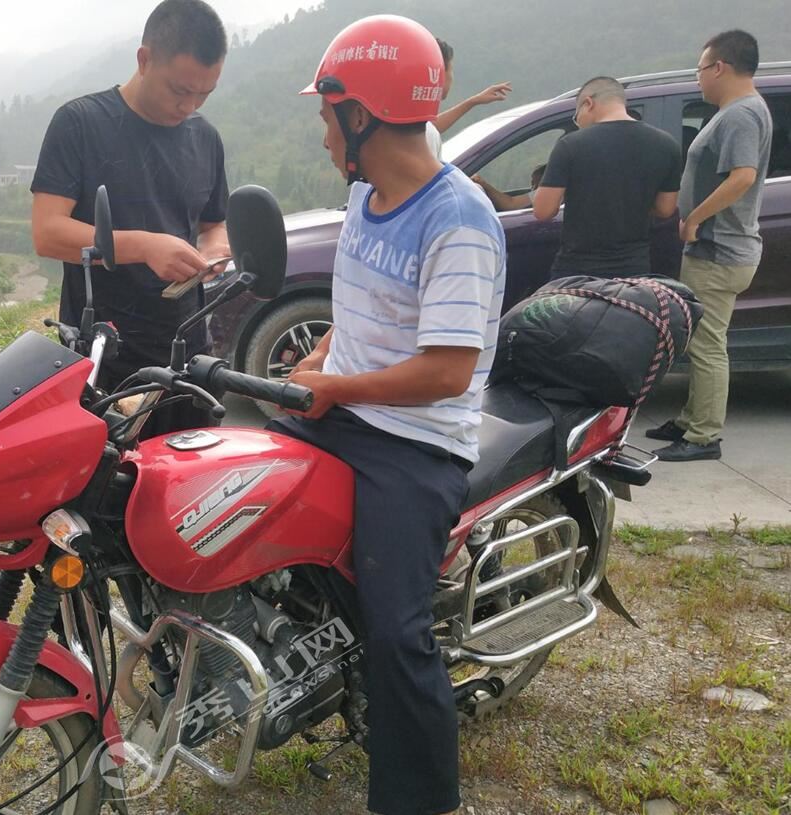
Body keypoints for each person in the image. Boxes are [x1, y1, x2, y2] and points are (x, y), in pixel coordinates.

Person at [285, 16, 506, 815]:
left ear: (360, 115)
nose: (322, 135)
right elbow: (357, 307)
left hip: (416, 441)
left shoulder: (458, 220)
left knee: (396, 631)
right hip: (344, 411)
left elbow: (446, 372)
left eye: (326, 116)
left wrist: (337, 388)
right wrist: (318, 362)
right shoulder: (365, 195)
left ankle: (424, 798)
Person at [30, 0, 230, 438]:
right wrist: (145, 247)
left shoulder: (205, 138)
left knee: (186, 473)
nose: (189, 105)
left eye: (204, 94)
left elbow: (214, 222)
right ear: (144, 59)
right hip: (106, 356)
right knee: (110, 477)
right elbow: (47, 232)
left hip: (189, 352)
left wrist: (216, 248)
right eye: (179, 90)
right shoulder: (80, 124)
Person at [648, 30, 772, 462]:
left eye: (700, 69)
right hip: (717, 250)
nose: (698, 78)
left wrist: (696, 217)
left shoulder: (741, 115)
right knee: (701, 340)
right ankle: (690, 419)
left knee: (707, 345)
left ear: (719, 67)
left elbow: (743, 176)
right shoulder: (738, 112)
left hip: (719, 251)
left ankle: (703, 436)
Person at [531, 76, 682, 279]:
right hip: (634, 269)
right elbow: (665, 209)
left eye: (576, 117)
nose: (578, 123)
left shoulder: (571, 145)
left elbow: (543, 211)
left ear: (588, 103)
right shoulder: (667, 144)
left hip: (577, 270)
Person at [427, 39, 512, 159]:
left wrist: (473, 101)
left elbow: (428, 128)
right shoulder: (421, 134)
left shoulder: (413, 124)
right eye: (451, 69)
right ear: (439, 71)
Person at [472, 163, 546, 212]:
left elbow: (510, 205)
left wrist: (482, 183)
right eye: (532, 184)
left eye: (538, 184)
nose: (533, 188)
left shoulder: (547, 192)